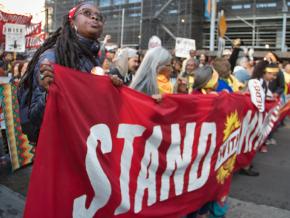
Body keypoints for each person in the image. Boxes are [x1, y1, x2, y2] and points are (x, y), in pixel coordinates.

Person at [18, 1, 122, 143]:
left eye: (99, 17)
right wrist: (49, 94)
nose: (95, 18)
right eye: (87, 13)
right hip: (60, 149)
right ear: (72, 21)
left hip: (84, 145)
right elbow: (35, 119)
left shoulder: (93, 60)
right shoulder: (51, 57)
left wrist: (112, 89)